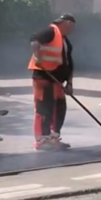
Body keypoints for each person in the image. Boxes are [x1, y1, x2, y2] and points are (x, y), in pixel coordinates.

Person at [29, 14, 76, 151]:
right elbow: (34, 40)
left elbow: (68, 62)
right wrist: (37, 57)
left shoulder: (64, 39)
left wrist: (70, 83)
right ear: (67, 22)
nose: (72, 30)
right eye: (72, 26)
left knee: (59, 109)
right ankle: (42, 140)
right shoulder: (51, 31)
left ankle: (53, 138)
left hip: (58, 80)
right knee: (44, 108)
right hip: (44, 77)